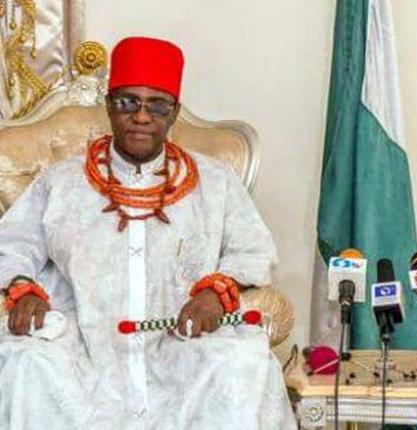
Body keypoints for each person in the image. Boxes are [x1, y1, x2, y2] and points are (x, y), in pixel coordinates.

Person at [0, 37, 296, 429]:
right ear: (109, 106)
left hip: (181, 347)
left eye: (156, 105)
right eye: (128, 102)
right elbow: (13, 245)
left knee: (242, 361)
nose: (141, 116)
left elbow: (252, 250)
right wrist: (23, 290)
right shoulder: (62, 182)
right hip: (83, 350)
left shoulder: (215, 181)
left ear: (172, 113)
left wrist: (215, 292)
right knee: (25, 361)